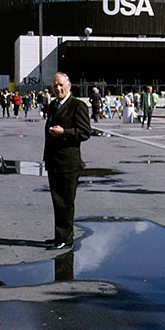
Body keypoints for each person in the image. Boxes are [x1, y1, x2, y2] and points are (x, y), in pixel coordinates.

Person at [43, 72, 91, 250]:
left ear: (69, 85)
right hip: (53, 161)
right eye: (55, 85)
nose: (58, 88)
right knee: (57, 201)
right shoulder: (53, 105)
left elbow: (85, 132)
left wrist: (65, 133)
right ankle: (59, 236)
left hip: (68, 163)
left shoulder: (77, 106)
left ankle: (66, 238)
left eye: (61, 85)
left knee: (65, 202)